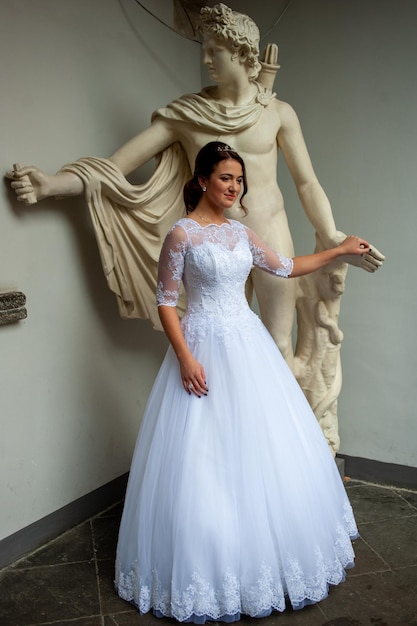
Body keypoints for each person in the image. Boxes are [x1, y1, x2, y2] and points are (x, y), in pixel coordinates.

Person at [7, 3, 384, 367]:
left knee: (277, 345)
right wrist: (52, 184)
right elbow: (114, 167)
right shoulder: (187, 115)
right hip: (211, 241)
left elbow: (307, 183)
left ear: (240, 53)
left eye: (214, 52)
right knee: (219, 350)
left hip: (269, 231)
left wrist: (331, 235)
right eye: (205, 51)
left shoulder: (277, 112)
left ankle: (272, 432)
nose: (206, 61)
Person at [114, 141, 368, 623]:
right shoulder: (181, 235)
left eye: (239, 180)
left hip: (247, 347)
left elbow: (287, 267)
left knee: (263, 448)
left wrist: (340, 252)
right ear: (203, 179)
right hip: (202, 348)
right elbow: (166, 301)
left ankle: (268, 556)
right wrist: (185, 358)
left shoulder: (241, 234)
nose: (234, 187)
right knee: (202, 456)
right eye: (226, 178)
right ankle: (209, 560)